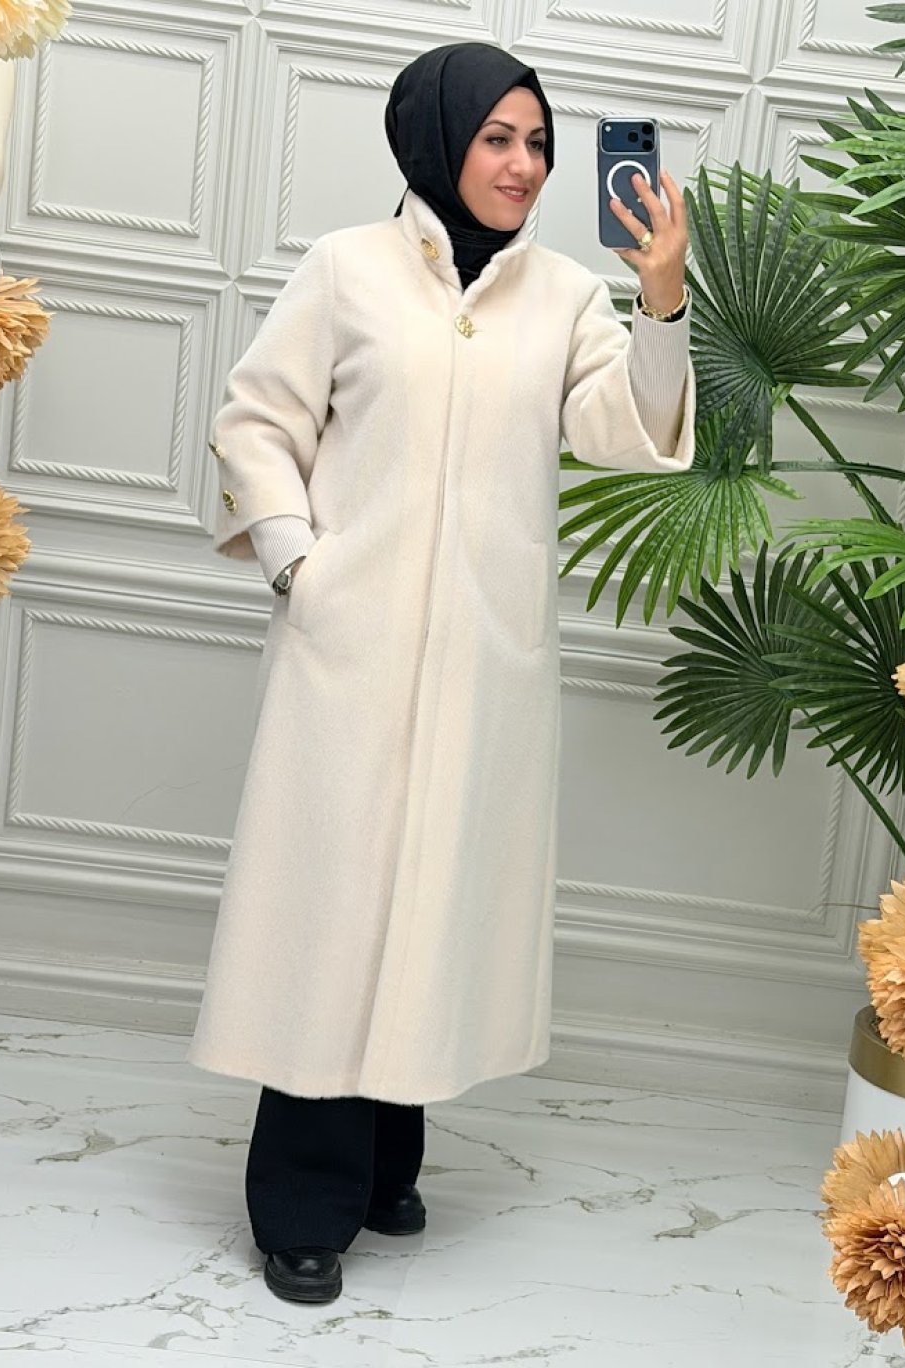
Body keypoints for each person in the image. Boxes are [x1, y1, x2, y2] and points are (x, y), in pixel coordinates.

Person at [186, 42, 696, 1305]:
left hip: (482, 657)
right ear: (437, 140)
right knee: (331, 917)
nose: (523, 165)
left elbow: (629, 433)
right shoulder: (345, 270)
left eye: (539, 143)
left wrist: (660, 303)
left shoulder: (565, 296)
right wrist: (300, 563)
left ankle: (384, 1164)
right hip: (347, 654)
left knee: (429, 905)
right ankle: (300, 1205)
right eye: (497, 138)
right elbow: (256, 420)